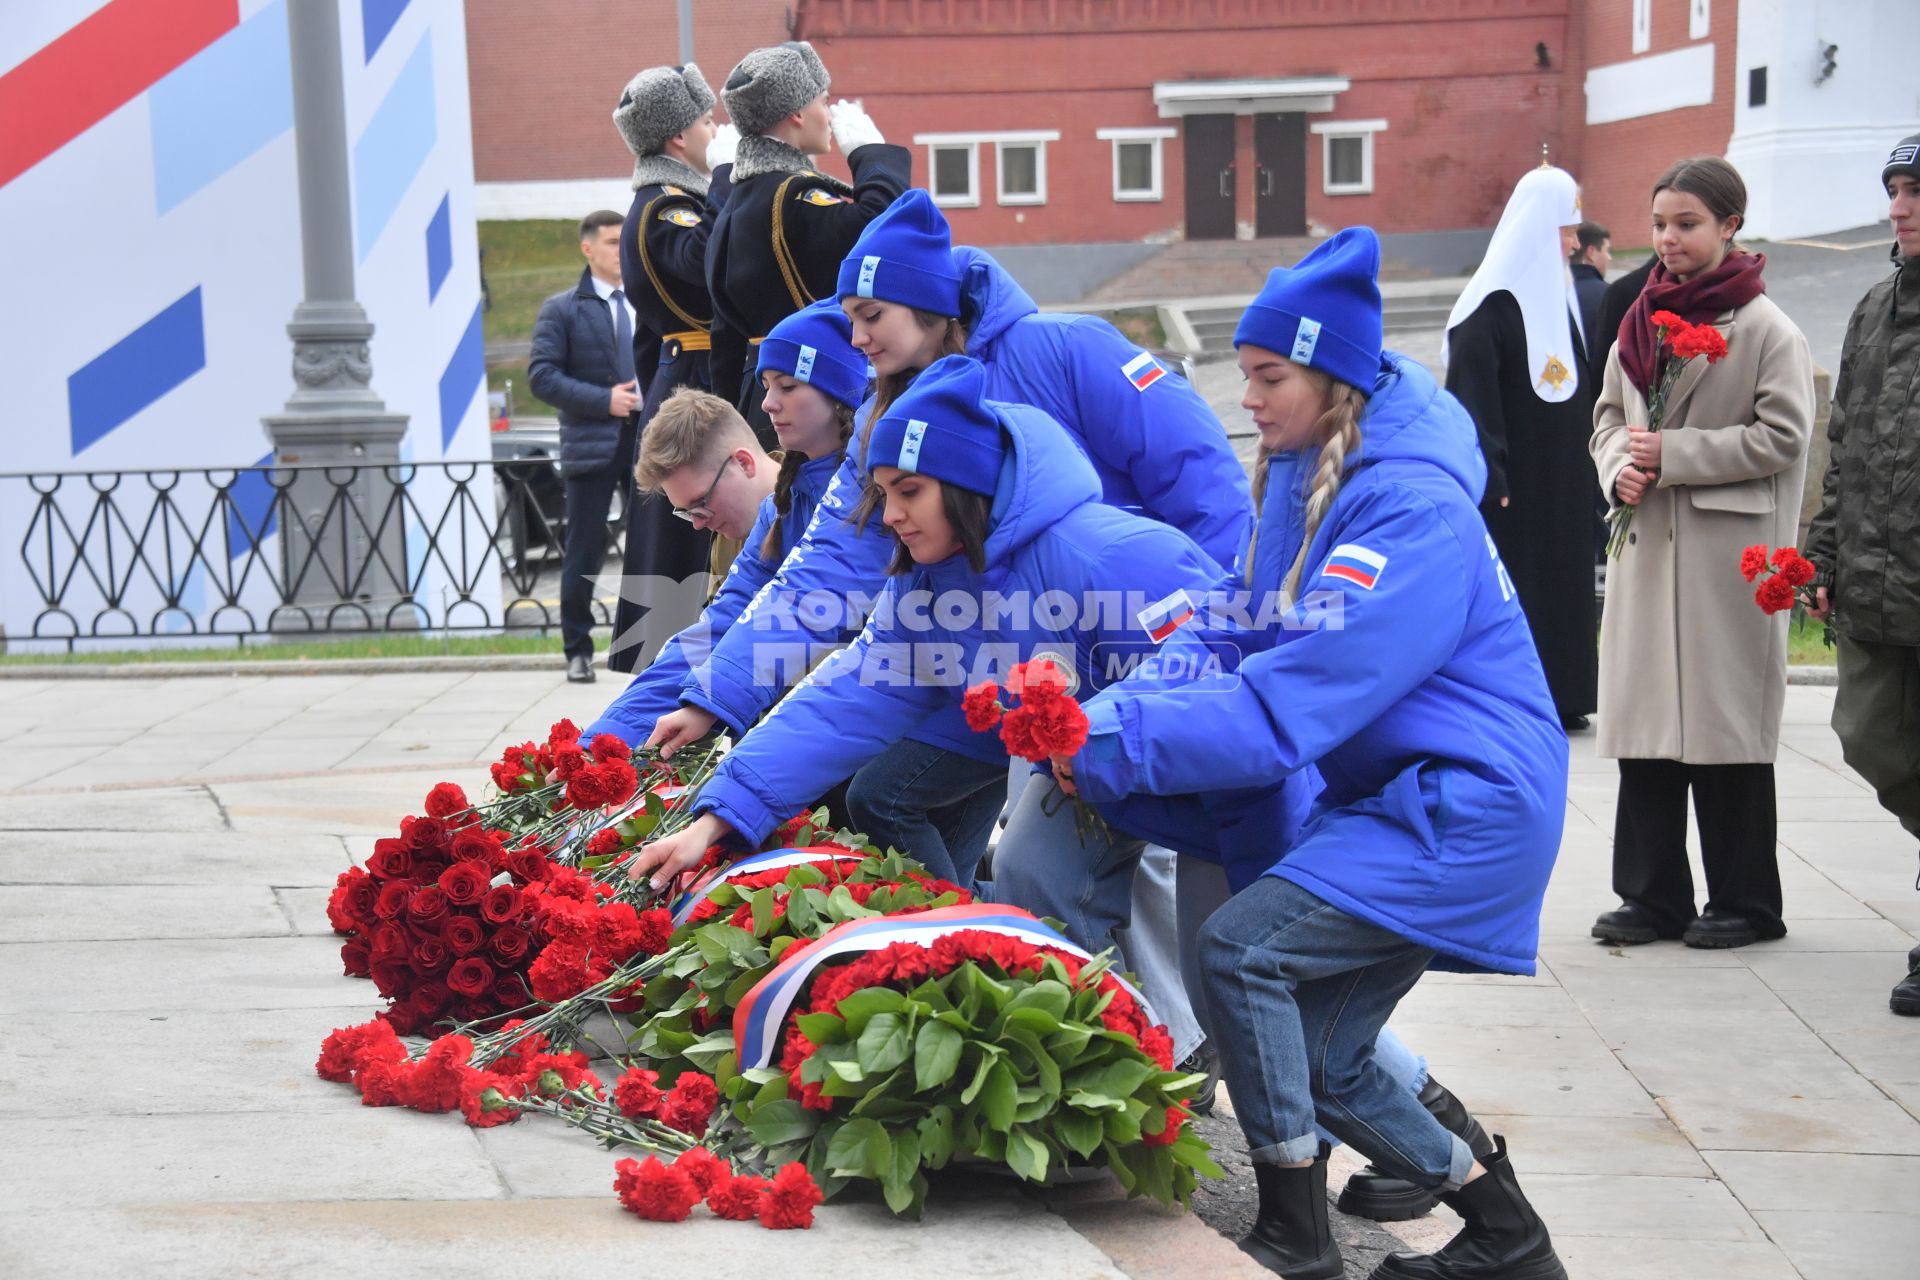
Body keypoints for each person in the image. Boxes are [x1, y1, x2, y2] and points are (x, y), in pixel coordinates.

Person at [1061, 228, 1568, 1280]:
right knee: (1332, 1052)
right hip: (1410, 799)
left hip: (1467, 807)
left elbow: (1293, 699)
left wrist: (1110, 739)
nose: (1246, 396)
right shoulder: (1303, 472)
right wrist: (1117, 704)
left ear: (1333, 376)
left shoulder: (1410, 507)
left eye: (1268, 375)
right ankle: (1508, 1241)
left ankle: (1298, 1228)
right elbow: (1236, 628)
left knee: (1242, 952)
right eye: (1243, 373)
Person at [627, 354, 1227, 899]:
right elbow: (842, 702)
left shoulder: (1119, 556)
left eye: (908, 492)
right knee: (1033, 879)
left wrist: (1095, 738)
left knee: (1223, 946)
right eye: (883, 493)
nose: (889, 517)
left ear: (967, 486)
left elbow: (1215, 687)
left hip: (1200, 788)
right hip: (1084, 776)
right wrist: (713, 822)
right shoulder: (926, 586)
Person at [1589, 156, 1815, 951]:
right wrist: (1620, 468)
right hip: (1649, 549)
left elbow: (1785, 437)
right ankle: (1652, 897)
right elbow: (1608, 419)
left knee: (1725, 734)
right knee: (1646, 729)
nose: (1669, 239)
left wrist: (1674, 453)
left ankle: (1747, 901)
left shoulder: (1765, 328)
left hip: (1728, 557)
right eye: (1658, 224)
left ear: (1729, 226)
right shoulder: (1637, 323)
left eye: (1687, 223)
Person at [586, 302, 870, 746]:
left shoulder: (877, 484)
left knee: (877, 801)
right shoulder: (786, 504)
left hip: (922, 701)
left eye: (788, 386)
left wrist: (709, 704)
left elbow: (803, 613)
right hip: (847, 712)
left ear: (837, 391)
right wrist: (606, 740)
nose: (769, 403)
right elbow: (718, 628)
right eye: (766, 386)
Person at [1805, 134, 1920, 1014]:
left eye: (1914, 191)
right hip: (1880, 586)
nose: (1898, 207)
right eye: (1893, 190)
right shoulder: (1875, 308)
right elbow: (1844, 446)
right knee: (1871, 737)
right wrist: (1825, 553)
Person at [1444, 164, 1599, 732]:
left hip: (1563, 484)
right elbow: (1472, 403)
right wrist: (1493, 478)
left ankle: (1568, 692)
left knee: (1566, 586)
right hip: (1512, 493)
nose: (1574, 242)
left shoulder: (1559, 305)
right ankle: (1519, 695)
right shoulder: (1483, 312)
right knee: (1523, 587)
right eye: (1565, 228)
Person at [705, 41, 910, 442]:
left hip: (761, 400)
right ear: (797, 112)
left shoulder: (737, 199)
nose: (828, 113)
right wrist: (875, 157)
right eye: (823, 100)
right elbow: (881, 231)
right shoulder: (790, 196)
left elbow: (723, 339)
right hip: (813, 399)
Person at [604, 63, 732, 674]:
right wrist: (732, 181)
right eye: (708, 121)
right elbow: (702, 263)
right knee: (683, 555)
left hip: (680, 379)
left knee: (688, 551)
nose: (716, 131)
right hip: (692, 390)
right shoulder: (665, 208)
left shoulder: (669, 201)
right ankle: (666, 694)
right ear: (677, 138)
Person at [528, 210, 640, 684]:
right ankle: (578, 649)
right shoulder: (563, 309)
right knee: (584, 551)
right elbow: (542, 376)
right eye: (612, 242)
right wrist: (604, 401)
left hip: (649, 445)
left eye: (624, 241)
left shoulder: (648, 301)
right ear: (588, 248)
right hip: (591, 445)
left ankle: (648, 646)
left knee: (654, 546)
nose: (621, 250)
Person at [1570, 220, 1611, 382]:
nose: (1609, 258)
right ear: (1591, 253)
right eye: (1607, 250)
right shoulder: (1609, 295)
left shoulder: (1551, 296)